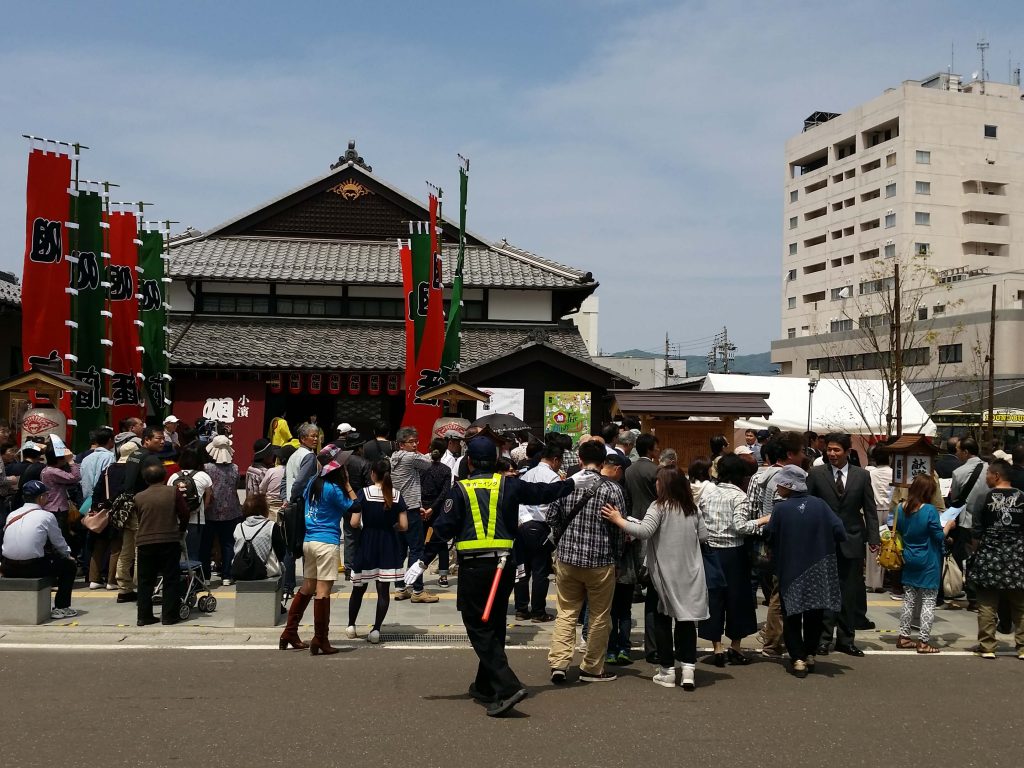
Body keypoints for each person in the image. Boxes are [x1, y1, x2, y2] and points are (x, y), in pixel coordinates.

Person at [429, 435, 594, 717]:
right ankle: (484, 685)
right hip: (504, 567)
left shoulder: (460, 490)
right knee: (492, 624)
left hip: (474, 568)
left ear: (468, 462)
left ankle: (507, 686)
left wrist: (420, 562)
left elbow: (442, 529)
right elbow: (542, 492)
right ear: (495, 462)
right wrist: (571, 483)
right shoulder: (509, 484)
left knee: (477, 626)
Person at [602, 466, 708, 691]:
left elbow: (643, 532)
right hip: (691, 572)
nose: (656, 485)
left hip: (664, 573)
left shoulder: (659, 506)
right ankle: (688, 670)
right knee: (687, 621)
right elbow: (704, 537)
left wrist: (618, 519)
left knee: (662, 618)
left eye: (658, 481)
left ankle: (667, 671)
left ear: (666, 484)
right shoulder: (692, 508)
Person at [546, 439, 627, 683]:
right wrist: (618, 559)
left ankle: (559, 663)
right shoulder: (613, 490)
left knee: (567, 612)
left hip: (568, 558)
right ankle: (592, 668)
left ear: (580, 459)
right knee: (600, 616)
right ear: (603, 462)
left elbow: (552, 517)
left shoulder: (566, 485)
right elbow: (619, 530)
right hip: (600, 560)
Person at [764, 466, 846, 677]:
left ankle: (797, 657)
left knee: (791, 613)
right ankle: (810, 653)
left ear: (789, 486)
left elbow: (770, 535)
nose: (778, 488)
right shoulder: (820, 505)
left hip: (790, 567)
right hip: (818, 567)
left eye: (781, 484)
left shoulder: (781, 509)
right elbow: (839, 530)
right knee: (815, 612)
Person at [279, 446, 357, 655]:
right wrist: (348, 484)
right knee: (323, 592)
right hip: (326, 543)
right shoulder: (334, 489)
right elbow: (355, 507)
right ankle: (320, 638)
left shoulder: (313, 483)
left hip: (309, 542)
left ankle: (290, 631)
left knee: (307, 587)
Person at [807, 433, 878, 657]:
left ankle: (846, 639)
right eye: (829, 449)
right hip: (823, 541)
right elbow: (808, 506)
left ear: (847, 452)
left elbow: (869, 509)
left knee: (849, 592)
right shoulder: (816, 474)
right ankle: (823, 638)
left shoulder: (862, 476)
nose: (832, 454)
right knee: (825, 591)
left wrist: (874, 538)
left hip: (853, 538)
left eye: (837, 450)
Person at [698, 454, 769, 666]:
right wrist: (762, 521)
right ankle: (735, 647)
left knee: (713, 599)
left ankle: (717, 648)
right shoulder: (739, 496)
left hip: (710, 551)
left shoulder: (706, 492)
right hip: (734, 553)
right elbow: (741, 526)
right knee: (738, 600)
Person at [346, 459, 408, 643]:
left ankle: (351, 625)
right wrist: (392, 527)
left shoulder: (364, 493)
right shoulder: (396, 495)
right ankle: (376, 630)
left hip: (367, 542)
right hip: (388, 543)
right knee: (383, 589)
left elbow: (354, 523)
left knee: (359, 587)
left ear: (373, 473)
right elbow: (404, 525)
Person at [967, 460, 1024, 659]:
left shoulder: (984, 498)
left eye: (988, 474)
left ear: (997, 476)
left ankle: (988, 645)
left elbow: (976, 531)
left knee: (987, 603)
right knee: (1020, 604)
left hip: (990, 555)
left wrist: (976, 552)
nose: (986, 477)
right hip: (1017, 557)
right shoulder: (1022, 497)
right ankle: (1022, 646)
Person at [0, 480, 79, 619]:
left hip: (8, 567)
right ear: (41, 497)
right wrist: (68, 555)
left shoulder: (12, 515)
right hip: (32, 567)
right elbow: (59, 543)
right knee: (69, 566)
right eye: (46, 495)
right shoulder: (46, 516)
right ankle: (61, 607)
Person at [893, 473, 949, 653]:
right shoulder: (929, 510)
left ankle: (903, 637)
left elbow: (899, 531)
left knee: (908, 600)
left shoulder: (901, 508)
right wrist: (948, 527)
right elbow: (939, 536)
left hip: (908, 557)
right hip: (928, 559)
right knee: (928, 600)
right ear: (928, 491)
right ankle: (923, 641)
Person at [134, 462, 189, 626]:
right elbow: (184, 513)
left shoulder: (139, 496)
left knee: (145, 581)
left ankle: (144, 616)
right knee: (170, 578)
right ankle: (169, 615)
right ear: (164, 477)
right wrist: (181, 530)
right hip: (169, 539)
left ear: (145, 479)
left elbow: (139, 517)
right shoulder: (173, 492)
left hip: (145, 541)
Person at [389, 427, 438, 603]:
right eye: (412, 442)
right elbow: (428, 463)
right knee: (417, 549)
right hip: (409, 509)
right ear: (402, 444)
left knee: (400, 551)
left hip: (397, 509)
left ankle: (400, 588)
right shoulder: (410, 457)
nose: (416, 444)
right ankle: (417, 590)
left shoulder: (394, 457)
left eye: (416, 441)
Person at [514, 443, 562, 621]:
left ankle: (520, 609)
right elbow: (554, 507)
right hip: (541, 527)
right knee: (540, 571)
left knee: (522, 570)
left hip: (522, 525)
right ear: (555, 460)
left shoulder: (526, 475)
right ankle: (538, 611)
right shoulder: (553, 479)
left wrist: (522, 520)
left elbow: (517, 499)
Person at [203, 435, 243, 585]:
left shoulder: (206, 468)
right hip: (231, 510)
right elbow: (236, 485)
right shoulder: (235, 468)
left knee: (207, 544)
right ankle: (227, 575)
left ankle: (206, 575)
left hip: (210, 511)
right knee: (228, 544)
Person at [167, 446, 214, 564]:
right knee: (193, 552)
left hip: (177, 520)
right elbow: (208, 499)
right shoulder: (204, 476)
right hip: (197, 520)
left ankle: (180, 579)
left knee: (178, 552)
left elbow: (169, 498)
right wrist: (201, 509)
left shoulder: (174, 477)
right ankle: (193, 580)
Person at [420, 438, 453, 589]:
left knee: (418, 543)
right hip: (438, 509)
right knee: (441, 542)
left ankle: (416, 574)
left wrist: (423, 507)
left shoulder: (421, 468)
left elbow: (416, 488)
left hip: (421, 509)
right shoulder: (446, 470)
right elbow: (445, 492)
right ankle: (444, 576)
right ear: (444, 452)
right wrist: (433, 508)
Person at [864, 444, 894, 595]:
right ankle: (884, 580)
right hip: (890, 512)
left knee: (873, 546)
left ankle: (872, 582)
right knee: (889, 545)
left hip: (874, 511)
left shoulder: (870, 473)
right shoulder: (894, 473)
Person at [233, 493, 286, 579]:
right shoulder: (272, 526)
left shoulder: (238, 527)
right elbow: (281, 551)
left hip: (240, 570)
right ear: (264, 509)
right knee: (283, 567)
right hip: (266, 571)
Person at [39, 436, 81, 541]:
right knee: (60, 536)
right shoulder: (53, 471)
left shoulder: (46, 470)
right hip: (57, 508)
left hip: (50, 506)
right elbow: (75, 477)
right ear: (58, 458)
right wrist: (71, 461)